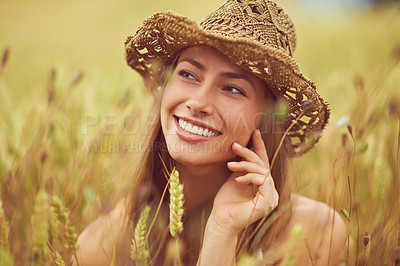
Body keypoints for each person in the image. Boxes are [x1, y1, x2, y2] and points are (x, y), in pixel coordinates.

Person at [76, 0, 346, 265]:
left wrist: (222, 229)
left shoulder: (314, 234)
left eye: (232, 89)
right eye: (188, 75)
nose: (197, 102)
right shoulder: (100, 248)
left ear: (266, 119)